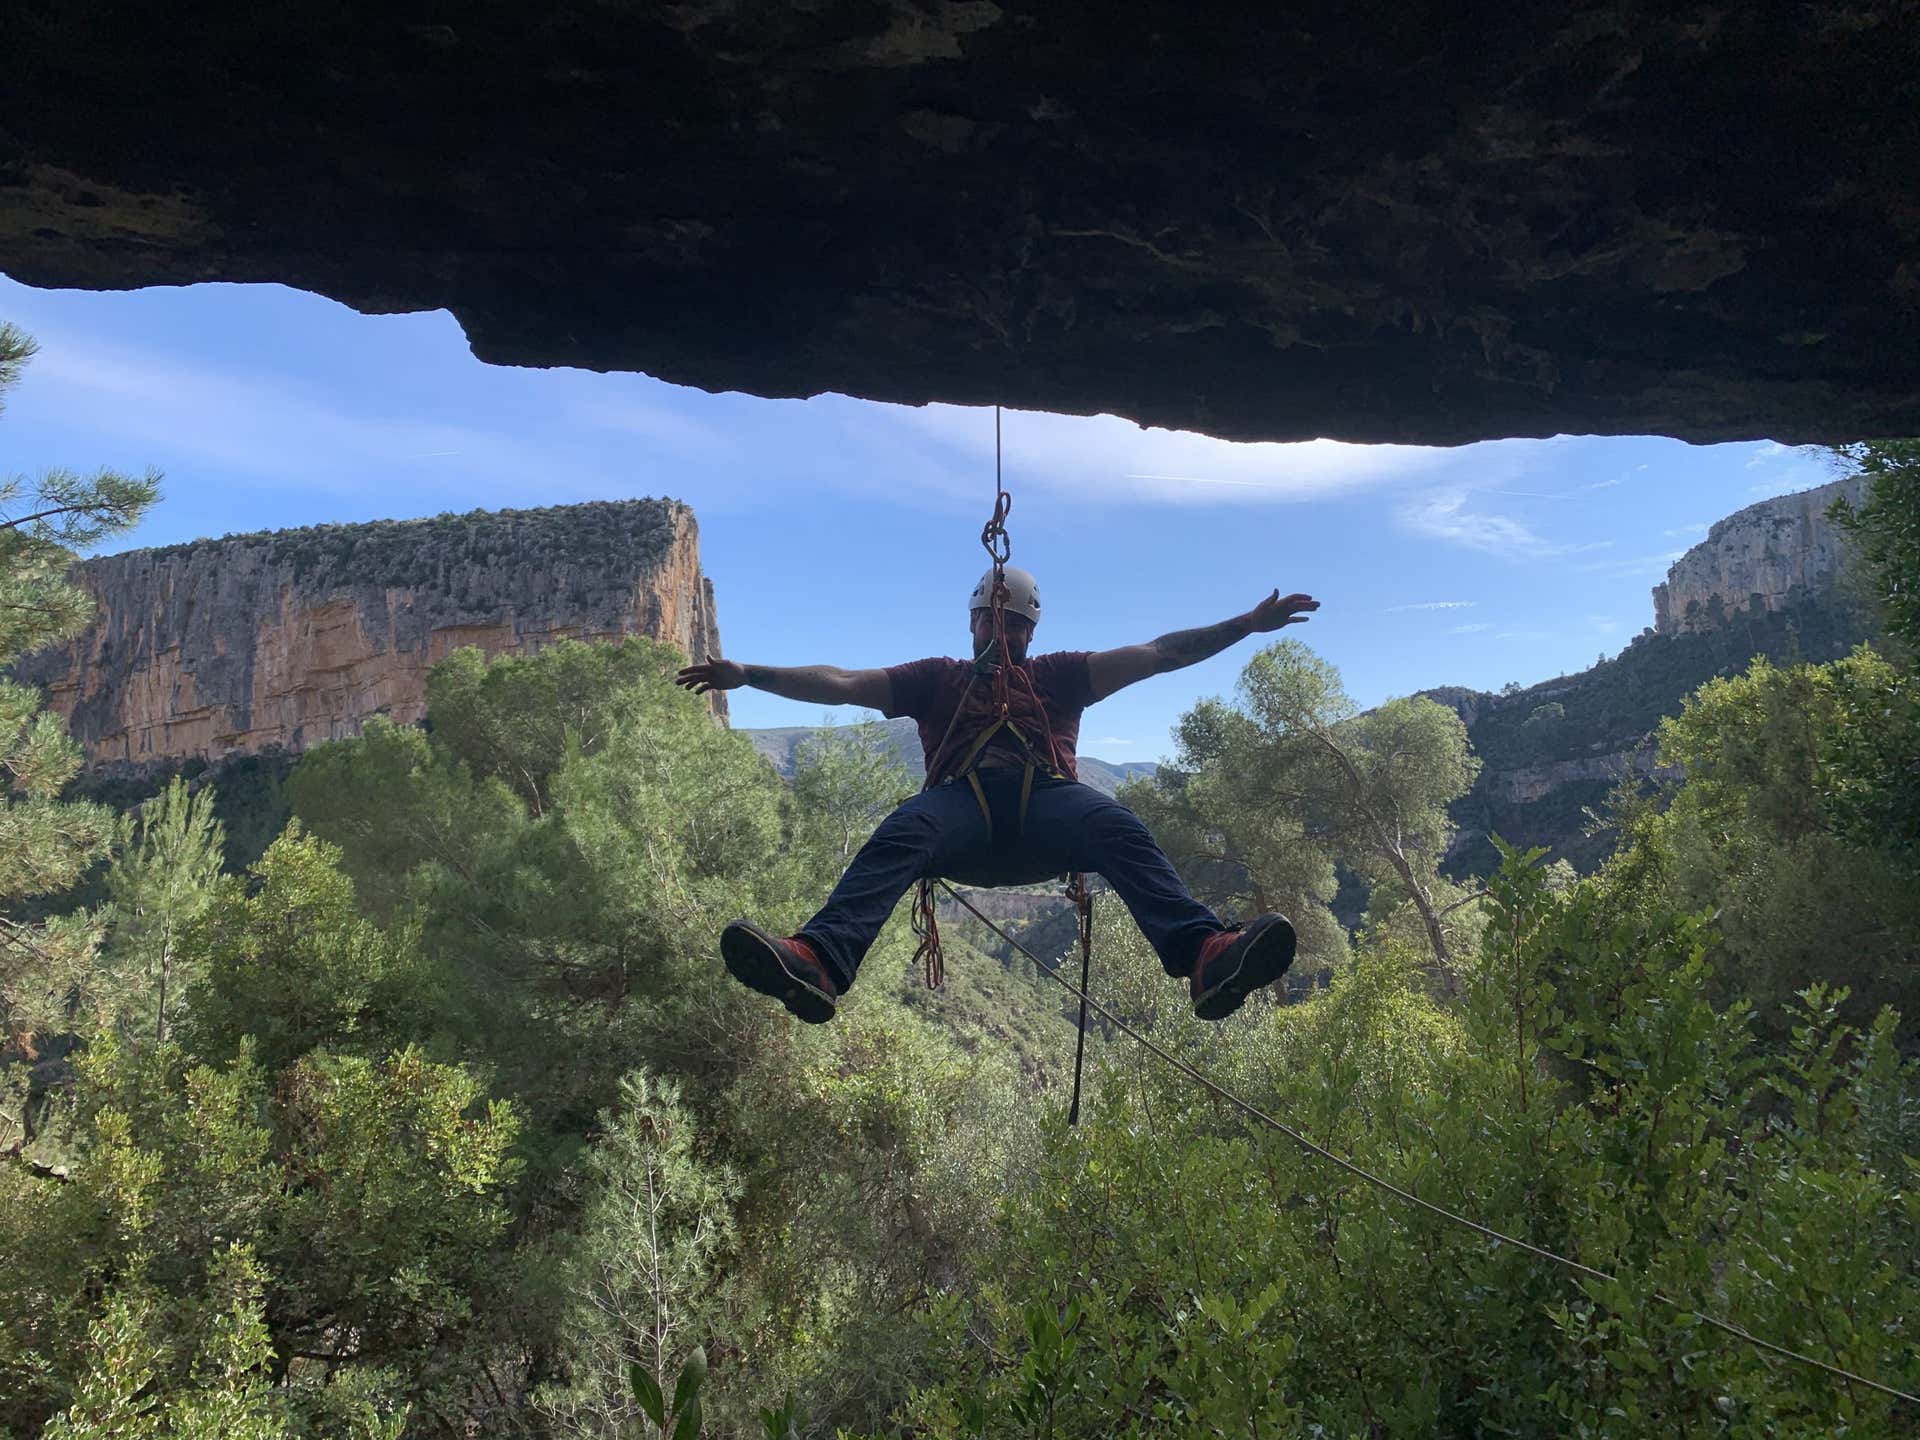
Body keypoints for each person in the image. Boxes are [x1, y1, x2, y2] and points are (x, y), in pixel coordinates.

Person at [674, 568, 1320, 1025]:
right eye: (990, 618)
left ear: (1029, 631)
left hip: (1051, 807)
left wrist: (1245, 625)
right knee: (903, 831)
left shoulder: (1063, 675)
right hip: (960, 810)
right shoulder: (935, 679)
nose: (999, 629)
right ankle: (817, 960)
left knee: (1118, 827)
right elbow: (842, 683)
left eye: (1012, 622)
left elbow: (1159, 653)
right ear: (972, 621)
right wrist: (750, 675)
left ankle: (1205, 955)